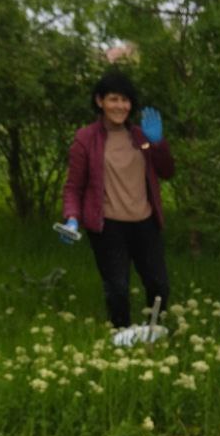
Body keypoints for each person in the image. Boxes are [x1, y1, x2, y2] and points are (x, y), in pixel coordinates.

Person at [61, 70, 174, 328]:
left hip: (145, 222)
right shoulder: (86, 139)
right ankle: (121, 337)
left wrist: (157, 144)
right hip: (108, 226)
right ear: (100, 101)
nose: (120, 106)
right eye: (113, 99)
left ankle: (154, 331)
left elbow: (167, 171)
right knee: (117, 288)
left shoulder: (140, 136)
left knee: (159, 284)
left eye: (125, 100)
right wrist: (71, 218)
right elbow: (73, 187)